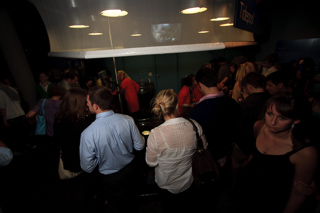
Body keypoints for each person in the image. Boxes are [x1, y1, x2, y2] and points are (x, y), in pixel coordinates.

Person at [233, 93, 318, 213]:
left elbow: (298, 195)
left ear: (296, 120)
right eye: (270, 114)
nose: (273, 122)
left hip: (272, 202)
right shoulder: (259, 126)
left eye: (283, 118)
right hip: (245, 194)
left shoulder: (305, 152)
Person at [80, 86, 145, 213]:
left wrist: (101, 159)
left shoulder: (88, 133)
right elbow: (140, 146)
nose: (86, 104)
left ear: (96, 106)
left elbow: (87, 167)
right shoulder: (127, 120)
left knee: (118, 206)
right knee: (133, 202)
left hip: (111, 178)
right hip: (132, 170)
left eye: (88, 102)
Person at [145, 89, 207, 213]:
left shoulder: (155, 134)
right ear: (177, 106)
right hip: (188, 182)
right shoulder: (194, 126)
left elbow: (151, 163)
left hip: (166, 185)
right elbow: (204, 147)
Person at [231, 72, 270, 181]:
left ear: (248, 87)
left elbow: (237, 128)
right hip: (265, 147)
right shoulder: (272, 101)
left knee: (237, 171)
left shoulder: (244, 105)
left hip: (244, 147)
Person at [54, 88, 95, 175]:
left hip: (70, 161)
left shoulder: (59, 118)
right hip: (84, 163)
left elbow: (58, 141)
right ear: (79, 103)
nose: (88, 103)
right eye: (86, 101)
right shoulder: (84, 121)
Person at [0, 77, 30, 153]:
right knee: (24, 132)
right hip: (20, 113)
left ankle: (20, 151)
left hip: (11, 116)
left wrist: (4, 119)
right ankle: (27, 147)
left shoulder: (1, 92)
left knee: (16, 136)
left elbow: (2, 106)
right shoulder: (11, 89)